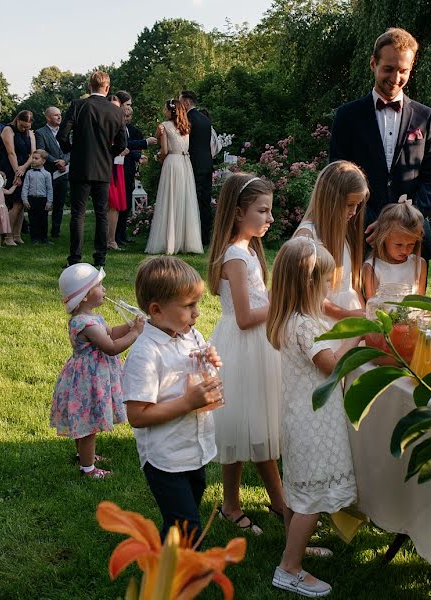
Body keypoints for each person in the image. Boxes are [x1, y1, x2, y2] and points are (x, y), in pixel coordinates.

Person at [266, 237, 361, 597]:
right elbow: (330, 367)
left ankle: (295, 547)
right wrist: (355, 336)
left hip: (299, 418)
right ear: (308, 284)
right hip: (313, 422)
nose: (327, 289)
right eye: (324, 282)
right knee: (310, 500)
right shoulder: (305, 325)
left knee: (298, 492)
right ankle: (289, 568)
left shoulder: (291, 319)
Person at [206, 173, 290, 535]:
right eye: (263, 210)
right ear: (239, 213)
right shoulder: (235, 256)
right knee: (256, 430)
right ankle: (284, 507)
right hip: (244, 345)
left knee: (244, 427)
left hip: (257, 346)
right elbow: (243, 317)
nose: (270, 219)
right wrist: (284, 304)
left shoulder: (248, 250)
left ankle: (231, 503)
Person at [121, 256, 224, 541]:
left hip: (194, 449)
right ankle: (179, 582)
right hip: (166, 459)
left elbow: (201, 373)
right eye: (189, 306)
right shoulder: (146, 353)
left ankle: (164, 566)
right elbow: (137, 415)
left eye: (197, 304)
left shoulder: (190, 335)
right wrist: (187, 403)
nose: (197, 313)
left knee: (179, 523)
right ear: (157, 310)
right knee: (187, 528)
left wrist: (210, 361)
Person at [328, 27, 431, 260]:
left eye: (403, 71)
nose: (395, 78)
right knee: (359, 296)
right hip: (361, 232)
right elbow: (338, 175)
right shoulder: (347, 115)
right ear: (373, 64)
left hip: (412, 234)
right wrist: (373, 222)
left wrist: (404, 220)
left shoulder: (426, 117)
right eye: (388, 69)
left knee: (411, 297)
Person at [51, 263, 145, 479]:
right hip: (89, 380)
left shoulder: (92, 319)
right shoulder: (86, 324)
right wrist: (136, 333)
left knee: (85, 421)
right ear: (85, 296)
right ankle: (88, 469)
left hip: (89, 376)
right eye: (99, 286)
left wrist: (130, 325)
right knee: (89, 425)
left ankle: (85, 455)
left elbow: (110, 332)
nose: (104, 290)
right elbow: (111, 347)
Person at [58, 70, 127, 268]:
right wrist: (109, 153)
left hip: (80, 166)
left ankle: (75, 258)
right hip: (103, 167)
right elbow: (122, 143)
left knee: (78, 213)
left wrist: (73, 151)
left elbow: (62, 136)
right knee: (101, 213)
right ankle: (100, 257)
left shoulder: (78, 105)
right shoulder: (116, 111)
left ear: (90, 86)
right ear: (107, 88)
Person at [293, 160, 368, 320]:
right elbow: (306, 294)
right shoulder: (307, 237)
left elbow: (352, 285)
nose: (354, 211)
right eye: (349, 204)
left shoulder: (342, 231)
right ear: (331, 200)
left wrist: (362, 313)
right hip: (324, 320)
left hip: (349, 313)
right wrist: (346, 315)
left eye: (357, 205)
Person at [145, 98, 202, 255]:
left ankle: (169, 240)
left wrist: (160, 159)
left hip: (172, 162)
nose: (164, 111)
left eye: (165, 109)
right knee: (184, 199)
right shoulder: (186, 127)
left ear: (171, 111)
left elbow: (164, 150)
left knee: (169, 199)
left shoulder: (164, 126)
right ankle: (185, 240)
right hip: (185, 163)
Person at [362, 198, 427, 299]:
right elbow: (372, 305)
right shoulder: (372, 267)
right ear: (383, 238)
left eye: (411, 244)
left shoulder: (419, 264)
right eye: (398, 245)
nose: (405, 250)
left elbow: (420, 301)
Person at [114, 91, 156, 246]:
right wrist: (145, 142)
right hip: (118, 169)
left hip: (128, 168)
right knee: (119, 203)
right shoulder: (116, 127)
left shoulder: (127, 128)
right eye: (128, 106)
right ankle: (115, 235)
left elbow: (129, 148)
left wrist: (138, 156)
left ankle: (121, 234)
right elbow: (125, 145)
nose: (127, 117)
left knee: (125, 203)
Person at [179, 91, 214, 246]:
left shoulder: (188, 119)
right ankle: (205, 236)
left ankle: (194, 236)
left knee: (193, 200)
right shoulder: (205, 120)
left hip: (193, 164)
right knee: (205, 201)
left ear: (187, 103)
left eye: (181, 102)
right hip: (207, 164)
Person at [0, 110, 35, 245]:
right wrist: (17, 173)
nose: (25, 128)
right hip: (10, 168)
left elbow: (33, 153)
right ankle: (7, 236)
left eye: (28, 126)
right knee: (16, 204)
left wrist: (24, 168)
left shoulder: (30, 133)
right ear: (18, 120)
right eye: (23, 126)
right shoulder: (8, 130)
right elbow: (11, 153)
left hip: (23, 168)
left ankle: (17, 234)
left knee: (22, 204)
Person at [35, 106, 70, 239]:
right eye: (55, 115)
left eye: (60, 114)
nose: (59, 117)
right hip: (49, 173)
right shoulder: (40, 132)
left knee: (59, 204)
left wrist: (64, 162)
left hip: (63, 173)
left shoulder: (65, 131)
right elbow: (41, 150)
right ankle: (41, 233)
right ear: (48, 117)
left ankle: (56, 232)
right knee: (45, 203)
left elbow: (70, 150)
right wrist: (57, 162)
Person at [107, 96, 129, 251]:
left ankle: (111, 239)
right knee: (109, 203)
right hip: (106, 165)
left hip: (118, 166)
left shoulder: (120, 123)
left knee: (115, 205)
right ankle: (108, 239)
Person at [20, 149, 54, 244]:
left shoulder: (47, 174)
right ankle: (35, 238)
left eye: (36, 158)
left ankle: (44, 238)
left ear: (43, 161)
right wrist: (25, 200)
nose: (33, 160)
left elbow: (49, 189)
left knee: (43, 219)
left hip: (43, 199)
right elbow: (25, 187)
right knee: (33, 219)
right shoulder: (29, 173)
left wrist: (49, 201)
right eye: (32, 158)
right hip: (32, 199)